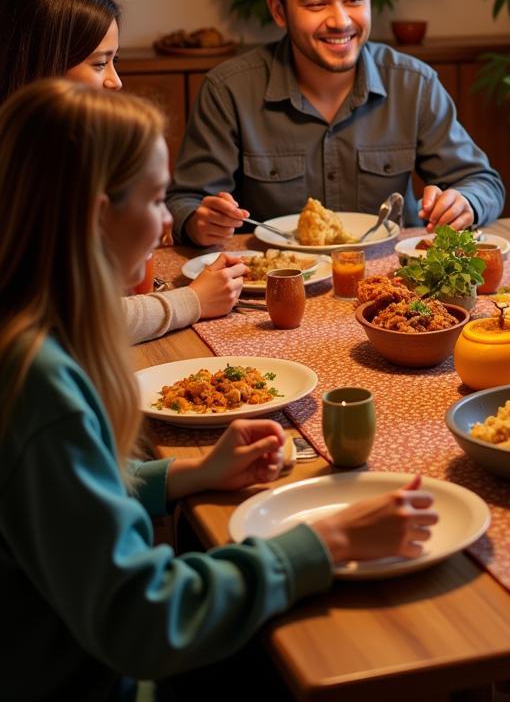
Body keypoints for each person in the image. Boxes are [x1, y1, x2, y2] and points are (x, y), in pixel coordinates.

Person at [0, 80, 438, 700]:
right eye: (155, 201)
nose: (161, 227)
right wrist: (327, 540)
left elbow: (65, 496)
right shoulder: (39, 383)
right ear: (98, 214)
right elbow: (142, 618)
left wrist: (184, 477)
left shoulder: (30, 334)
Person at [167, 0, 505, 247]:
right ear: (279, 11)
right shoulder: (228, 90)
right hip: (280, 283)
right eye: (316, 4)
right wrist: (201, 222)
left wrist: (465, 203)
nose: (341, 21)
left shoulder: (414, 84)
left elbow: (481, 182)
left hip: (395, 283)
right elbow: (185, 202)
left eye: (353, 0)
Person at [0, 0, 244, 342]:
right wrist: (192, 300)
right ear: (43, 68)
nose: (116, 81)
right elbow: (75, 319)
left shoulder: (61, 154)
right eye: (100, 64)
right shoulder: (24, 179)